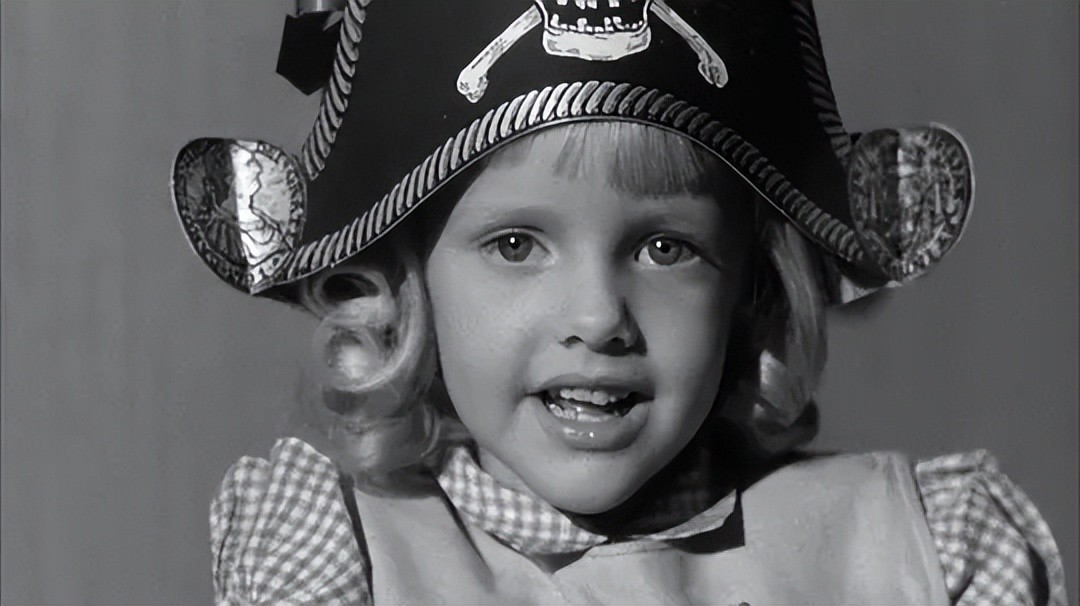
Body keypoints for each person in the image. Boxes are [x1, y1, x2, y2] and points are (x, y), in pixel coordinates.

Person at [173, 1, 1067, 603]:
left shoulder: (922, 553)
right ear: (403, 283)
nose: (598, 317)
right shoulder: (340, 553)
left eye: (664, 248)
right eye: (516, 245)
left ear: (753, 281)